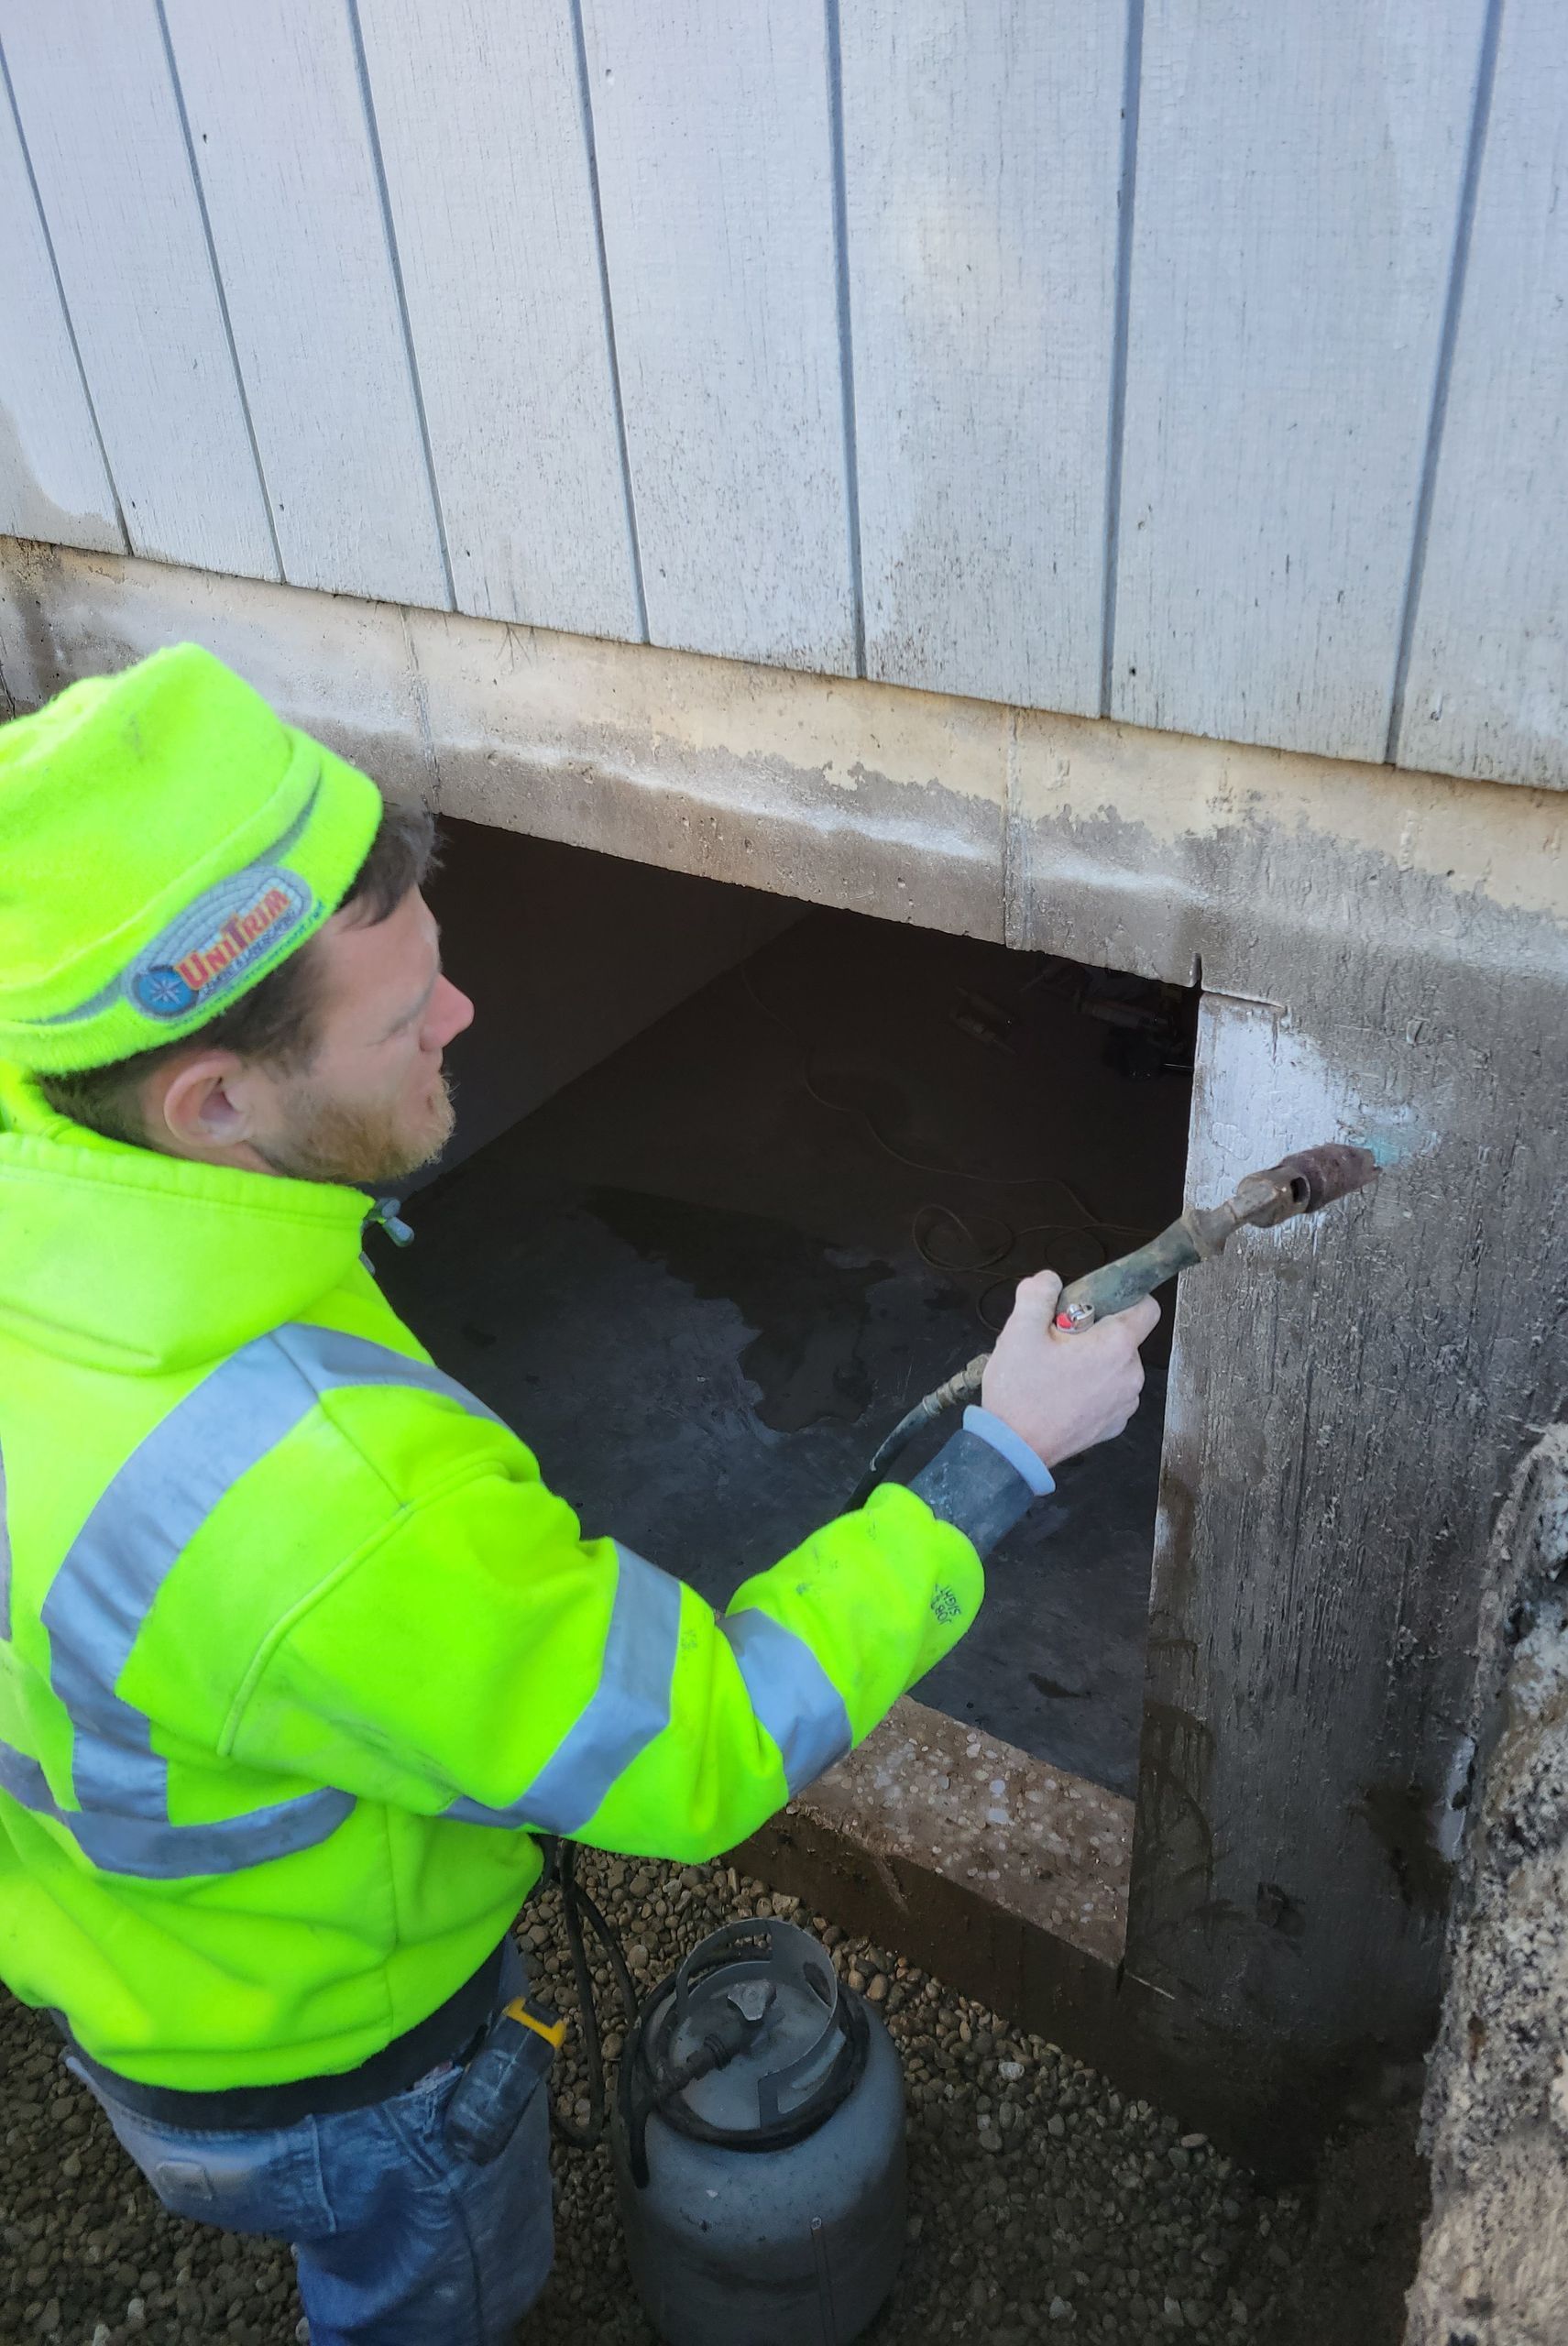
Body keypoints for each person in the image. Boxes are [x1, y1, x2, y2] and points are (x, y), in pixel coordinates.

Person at [0, 644, 1159, 2343]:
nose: (463, 1019)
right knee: (437, 2297)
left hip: (132, 1974)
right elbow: (700, 1750)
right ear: (216, 1102)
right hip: (345, 2062)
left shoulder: (64, 1165)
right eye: (403, 1020)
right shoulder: (327, 1503)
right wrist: (1000, 1462)